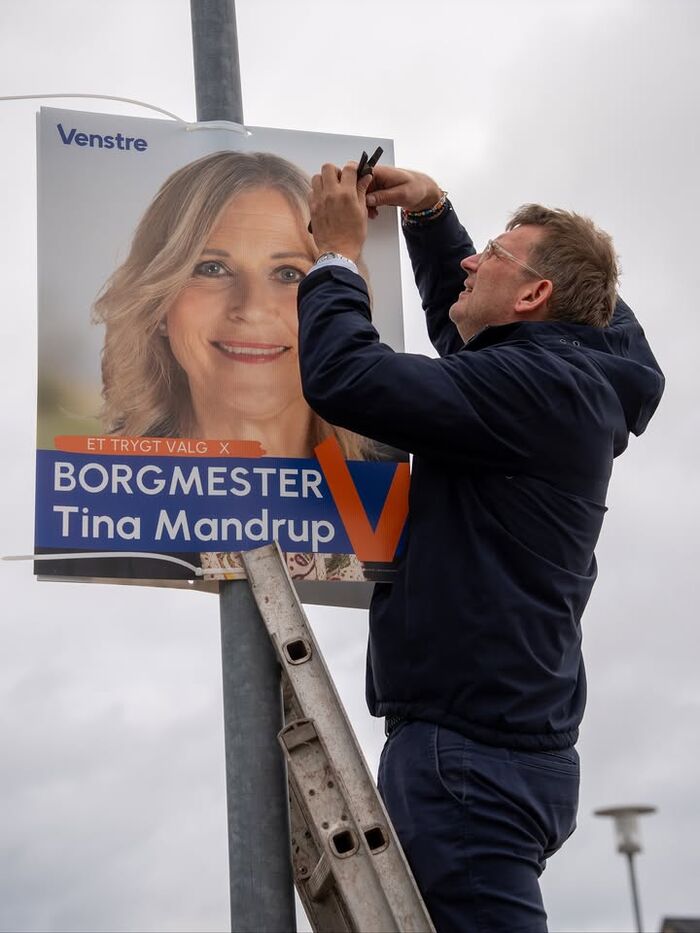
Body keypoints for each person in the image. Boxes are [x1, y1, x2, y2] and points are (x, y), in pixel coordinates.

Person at [296, 162, 664, 932]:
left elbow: (347, 376)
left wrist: (336, 256)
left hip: (468, 760)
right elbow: (477, 352)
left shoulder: (538, 390)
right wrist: (432, 216)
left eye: (492, 254)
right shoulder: (578, 374)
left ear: (535, 295)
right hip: (498, 749)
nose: (471, 261)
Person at [39, 152, 385, 584]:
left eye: (289, 274)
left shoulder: (391, 490)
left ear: (336, 301)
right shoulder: (90, 507)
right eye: (212, 268)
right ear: (160, 304)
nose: (251, 308)